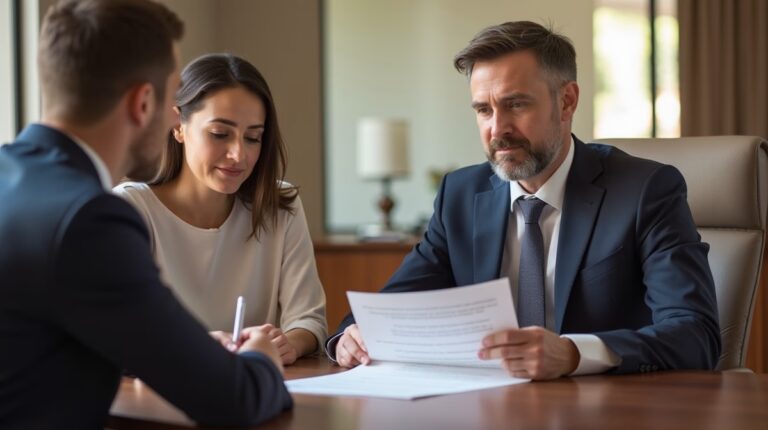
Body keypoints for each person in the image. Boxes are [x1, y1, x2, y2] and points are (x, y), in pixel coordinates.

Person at [325, 21, 721, 380]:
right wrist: (351, 336)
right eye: (483, 110)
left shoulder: (645, 190)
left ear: (567, 101)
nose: (498, 129)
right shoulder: (461, 196)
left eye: (516, 104)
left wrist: (572, 353)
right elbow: (393, 306)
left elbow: (695, 334)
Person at [0, 0, 291, 427]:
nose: (177, 116)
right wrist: (261, 358)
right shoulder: (89, 221)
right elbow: (234, 399)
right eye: (175, 100)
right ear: (142, 103)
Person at [114, 53, 327, 365]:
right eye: (219, 134)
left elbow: (310, 321)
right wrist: (193, 347)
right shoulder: (130, 209)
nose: (238, 154)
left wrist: (288, 343)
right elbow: (119, 336)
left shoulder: (279, 204)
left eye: (253, 137)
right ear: (178, 126)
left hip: (255, 393)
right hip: (162, 398)